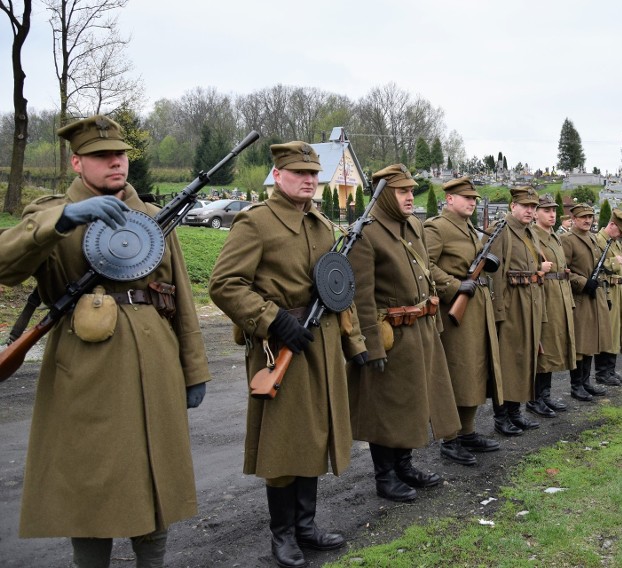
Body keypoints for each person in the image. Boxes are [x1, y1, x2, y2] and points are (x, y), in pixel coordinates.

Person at [0, 115, 209, 568]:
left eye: (120, 154)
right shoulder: (49, 213)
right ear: (77, 162)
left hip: (154, 363)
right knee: (88, 483)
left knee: (153, 476)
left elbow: (183, 300)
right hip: (84, 368)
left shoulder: (153, 218)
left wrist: (193, 369)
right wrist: (61, 221)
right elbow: (4, 265)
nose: (114, 161)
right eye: (100, 155)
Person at [209, 142, 367, 568]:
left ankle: (305, 526)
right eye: (299, 173)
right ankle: (282, 536)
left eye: (313, 174)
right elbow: (225, 284)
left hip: (321, 343)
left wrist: (356, 345)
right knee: (283, 442)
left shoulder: (320, 224)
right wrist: (272, 319)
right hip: (277, 345)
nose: (309, 180)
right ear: (277, 175)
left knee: (314, 434)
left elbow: (339, 288)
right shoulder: (255, 223)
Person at [347, 164, 460, 502]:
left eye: (411, 190)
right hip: (389, 335)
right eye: (402, 191)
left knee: (413, 402)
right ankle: (385, 476)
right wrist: (371, 346)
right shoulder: (365, 233)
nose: (411, 196)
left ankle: (405, 465)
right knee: (385, 407)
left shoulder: (413, 225)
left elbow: (424, 277)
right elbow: (361, 297)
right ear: (383, 195)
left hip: (420, 329)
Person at [424, 176, 503, 466]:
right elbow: (425, 266)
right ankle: (450, 440)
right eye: (466, 198)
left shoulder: (470, 229)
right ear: (449, 199)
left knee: (475, 370)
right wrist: (454, 285)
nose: (472, 202)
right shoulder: (437, 228)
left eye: (474, 199)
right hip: (455, 310)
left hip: (477, 305)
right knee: (458, 371)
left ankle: (468, 432)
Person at [489, 187, 548, 434]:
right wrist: (498, 312)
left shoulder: (529, 233)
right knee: (507, 363)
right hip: (511, 305)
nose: (530, 211)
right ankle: (501, 417)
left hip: (529, 303)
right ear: (513, 206)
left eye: (533, 207)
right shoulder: (501, 230)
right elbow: (494, 275)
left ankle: (516, 412)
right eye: (525, 206)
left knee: (523, 360)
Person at [527, 193, 575, 417]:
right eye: (546, 210)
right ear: (536, 213)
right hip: (545, 295)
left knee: (553, 346)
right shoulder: (533, 236)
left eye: (554, 210)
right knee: (543, 347)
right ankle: (535, 399)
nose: (552, 214)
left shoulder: (554, 236)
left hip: (559, 294)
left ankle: (545, 395)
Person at [561, 203, 612, 401]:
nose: (587, 220)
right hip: (580, 297)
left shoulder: (592, 238)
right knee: (581, 343)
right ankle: (576, 386)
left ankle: (586, 382)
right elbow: (563, 270)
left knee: (591, 341)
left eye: (590, 217)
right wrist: (582, 282)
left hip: (594, 296)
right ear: (573, 219)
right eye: (583, 217)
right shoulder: (567, 239)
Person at [593, 208, 622, 386]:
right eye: (620, 231)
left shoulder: (614, 242)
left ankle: (610, 370)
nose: (621, 236)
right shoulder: (598, 241)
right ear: (612, 225)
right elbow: (595, 266)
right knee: (607, 333)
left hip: (617, 291)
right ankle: (602, 373)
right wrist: (615, 262)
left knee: (616, 333)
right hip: (606, 292)